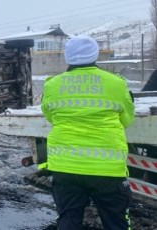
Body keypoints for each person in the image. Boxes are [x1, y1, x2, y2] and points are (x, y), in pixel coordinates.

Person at [40, 35, 135, 229]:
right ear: (95, 55)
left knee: (68, 220)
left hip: (65, 166)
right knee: (116, 222)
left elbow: (50, 117)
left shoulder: (51, 85)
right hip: (107, 168)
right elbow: (126, 119)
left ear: (68, 57)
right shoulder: (116, 83)